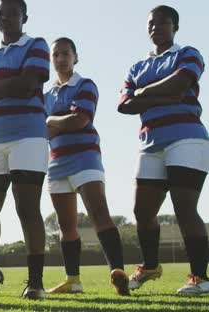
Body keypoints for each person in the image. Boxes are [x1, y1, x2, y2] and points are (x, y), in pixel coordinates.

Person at [118, 5, 209, 295]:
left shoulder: (188, 54)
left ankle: (200, 277)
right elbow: (124, 105)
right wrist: (163, 93)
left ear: (175, 27)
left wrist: (143, 92)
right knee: (141, 211)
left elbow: (182, 83)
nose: (155, 27)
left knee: (184, 208)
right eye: (150, 23)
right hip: (150, 143)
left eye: (162, 22)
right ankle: (151, 266)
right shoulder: (136, 67)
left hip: (187, 138)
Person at [0, 0, 49, 300]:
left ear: (24, 17)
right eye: (0, 14)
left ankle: (35, 282)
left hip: (27, 136)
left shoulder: (37, 45)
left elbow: (27, 85)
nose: (5, 18)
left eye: (12, 13)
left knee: (27, 208)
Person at [44, 37, 129, 296]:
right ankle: (73, 281)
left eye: (65, 54)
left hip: (85, 158)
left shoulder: (86, 85)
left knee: (98, 215)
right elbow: (43, 130)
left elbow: (79, 120)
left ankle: (118, 273)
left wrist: (50, 119)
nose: (60, 59)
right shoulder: (45, 94)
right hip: (56, 163)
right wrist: (59, 120)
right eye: (56, 55)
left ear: (75, 57)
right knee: (66, 225)